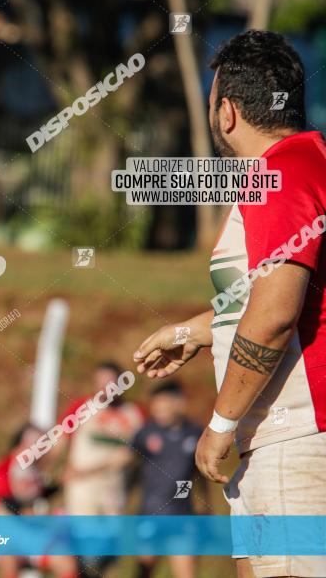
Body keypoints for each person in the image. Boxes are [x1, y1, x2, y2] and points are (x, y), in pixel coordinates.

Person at [133, 30, 326, 578]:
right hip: (286, 435)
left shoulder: (280, 173)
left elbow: (275, 315)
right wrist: (198, 331)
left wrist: (220, 423)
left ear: (228, 112)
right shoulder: (310, 162)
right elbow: (286, 294)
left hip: (296, 434)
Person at [54, 362, 143, 577]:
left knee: (108, 556)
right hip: (82, 494)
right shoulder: (81, 408)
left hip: (114, 494)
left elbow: (139, 456)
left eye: (110, 381)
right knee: (86, 556)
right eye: (100, 381)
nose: (105, 387)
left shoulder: (134, 414)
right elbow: (57, 444)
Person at [129, 380, 204, 578]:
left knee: (186, 572)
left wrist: (204, 506)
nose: (159, 410)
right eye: (156, 405)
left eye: (164, 404)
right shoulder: (145, 433)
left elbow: (202, 475)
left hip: (182, 514)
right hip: (150, 512)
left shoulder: (196, 434)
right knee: (144, 568)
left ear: (179, 404)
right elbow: (129, 468)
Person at [0, 424, 76, 578]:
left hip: (33, 533)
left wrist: (59, 485)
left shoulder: (33, 470)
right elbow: (1, 502)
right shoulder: (3, 470)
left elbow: (36, 496)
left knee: (65, 562)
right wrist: (28, 512)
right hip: (9, 534)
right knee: (9, 561)